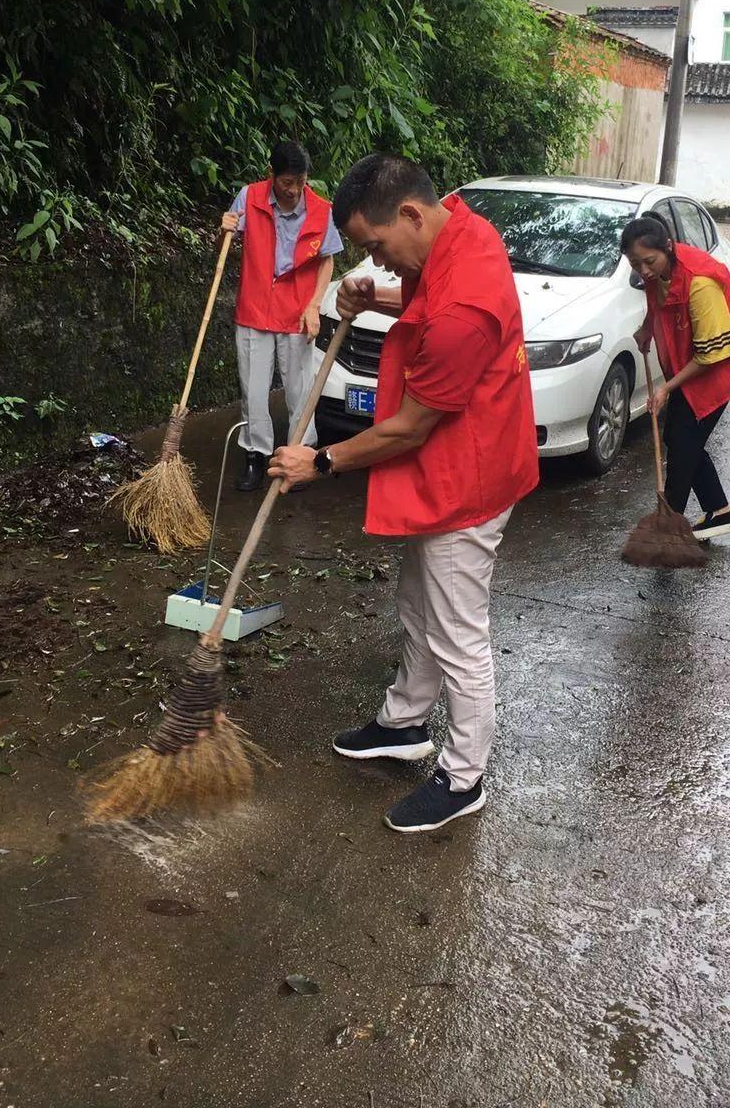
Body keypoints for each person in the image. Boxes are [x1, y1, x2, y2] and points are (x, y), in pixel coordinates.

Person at [269, 154, 538, 833]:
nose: (376, 260)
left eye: (376, 246)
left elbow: (411, 427)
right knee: (417, 600)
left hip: (466, 480)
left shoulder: (465, 308)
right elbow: (423, 296)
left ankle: (463, 776)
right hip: (454, 460)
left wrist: (319, 461)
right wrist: (378, 296)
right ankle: (405, 721)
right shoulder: (461, 229)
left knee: (457, 631)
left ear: (412, 215)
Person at [622, 214, 730, 541]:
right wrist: (646, 329)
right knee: (680, 439)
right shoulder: (659, 270)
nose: (643, 271)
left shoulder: (700, 281)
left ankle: (668, 531)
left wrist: (666, 388)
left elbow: (713, 355)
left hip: (719, 367)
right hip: (693, 364)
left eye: (649, 261)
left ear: (668, 248)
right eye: (634, 263)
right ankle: (719, 512)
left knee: (683, 445)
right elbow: (659, 300)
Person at [221, 140, 343, 492]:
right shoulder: (249, 197)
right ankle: (255, 457)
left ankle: (300, 455)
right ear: (271, 175)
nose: (293, 190)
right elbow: (225, 246)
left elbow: (327, 259)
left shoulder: (322, 210)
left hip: (297, 312)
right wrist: (224, 231)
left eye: (300, 182)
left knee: (299, 390)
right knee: (253, 392)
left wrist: (314, 305)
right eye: (287, 182)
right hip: (255, 309)